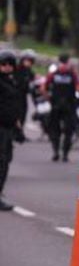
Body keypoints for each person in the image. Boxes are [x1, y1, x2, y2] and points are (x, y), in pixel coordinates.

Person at [43, 53, 79, 162]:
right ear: (68, 61)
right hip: (69, 106)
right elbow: (78, 87)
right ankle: (65, 154)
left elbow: (44, 87)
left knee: (54, 130)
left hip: (56, 106)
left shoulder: (54, 74)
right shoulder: (72, 74)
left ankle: (56, 152)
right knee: (68, 131)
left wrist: (49, 98)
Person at [0, 50, 22, 211]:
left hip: (8, 127)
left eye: (10, 64)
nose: (7, 67)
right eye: (3, 64)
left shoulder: (12, 81)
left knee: (6, 160)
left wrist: (17, 121)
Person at [13, 49, 36, 142]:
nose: (29, 62)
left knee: (23, 114)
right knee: (15, 114)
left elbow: (33, 79)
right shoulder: (17, 69)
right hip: (15, 96)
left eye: (31, 61)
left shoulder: (28, 71)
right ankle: (13, 133)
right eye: (28, 60)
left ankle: (19, 133)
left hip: (23, 96)